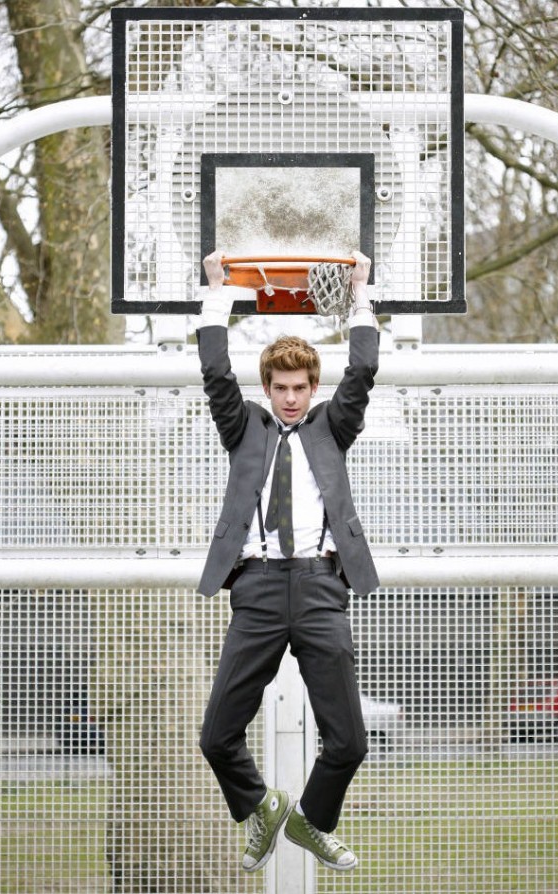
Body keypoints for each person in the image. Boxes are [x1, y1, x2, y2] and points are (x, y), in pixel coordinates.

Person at [196, 250, 380, 873]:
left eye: (302, 388)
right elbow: (216, 372)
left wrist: (360, 293)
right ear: (268, 388)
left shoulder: (334, 426)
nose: (293, 398)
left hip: (323, 586)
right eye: (282, 388)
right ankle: (263, 807)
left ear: (313, 388)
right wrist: (218, 291)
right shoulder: (244, 427)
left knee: (349, 741)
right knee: (216, 737)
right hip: (258, 589)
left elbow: (364, 369)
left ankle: (310, 821)